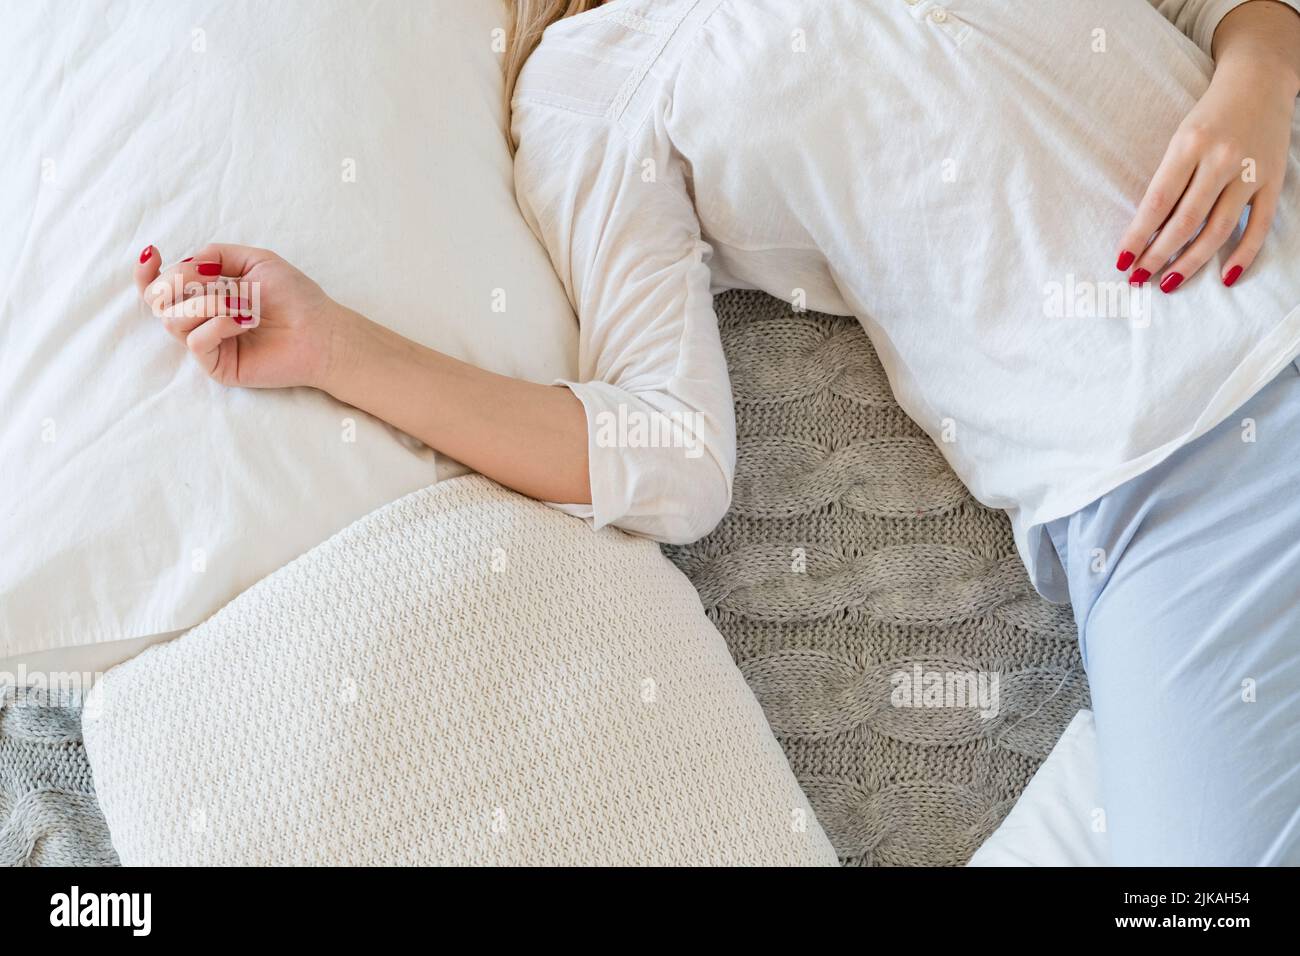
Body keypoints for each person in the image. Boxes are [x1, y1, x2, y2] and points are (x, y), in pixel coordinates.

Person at [133, 0, 1300, 864]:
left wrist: (1260, 77)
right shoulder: (594, 83)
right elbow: (669, 454)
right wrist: (338, 346)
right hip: (1166, 478)